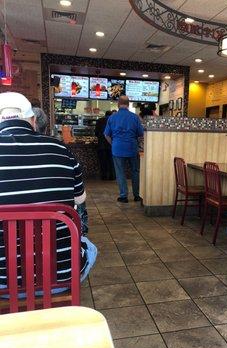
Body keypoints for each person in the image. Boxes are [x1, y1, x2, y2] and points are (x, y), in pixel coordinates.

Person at [0, 92, 97, 293]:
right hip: (61, 276)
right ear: (34, 120)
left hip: (3, 282)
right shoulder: (60, 149)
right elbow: (80, 199)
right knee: (89, 245)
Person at [104, 96, 144, 203]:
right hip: (132, 148)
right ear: (128, 104)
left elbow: (106, 135)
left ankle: (123, 196)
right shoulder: (135, 117)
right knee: (135, 172)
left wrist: (113, 144)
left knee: (120, 172)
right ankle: (136, 195)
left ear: (118, 104)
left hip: (117, 148)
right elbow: (141, 134)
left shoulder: (112, 118)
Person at [95, 110, 115, 180]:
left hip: (101, 145)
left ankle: (104, 176)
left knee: (103, 162)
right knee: (111, 161)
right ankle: (112, 176)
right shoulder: (113, 121)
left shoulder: (99, 121)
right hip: (111, 144)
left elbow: (96, 133)